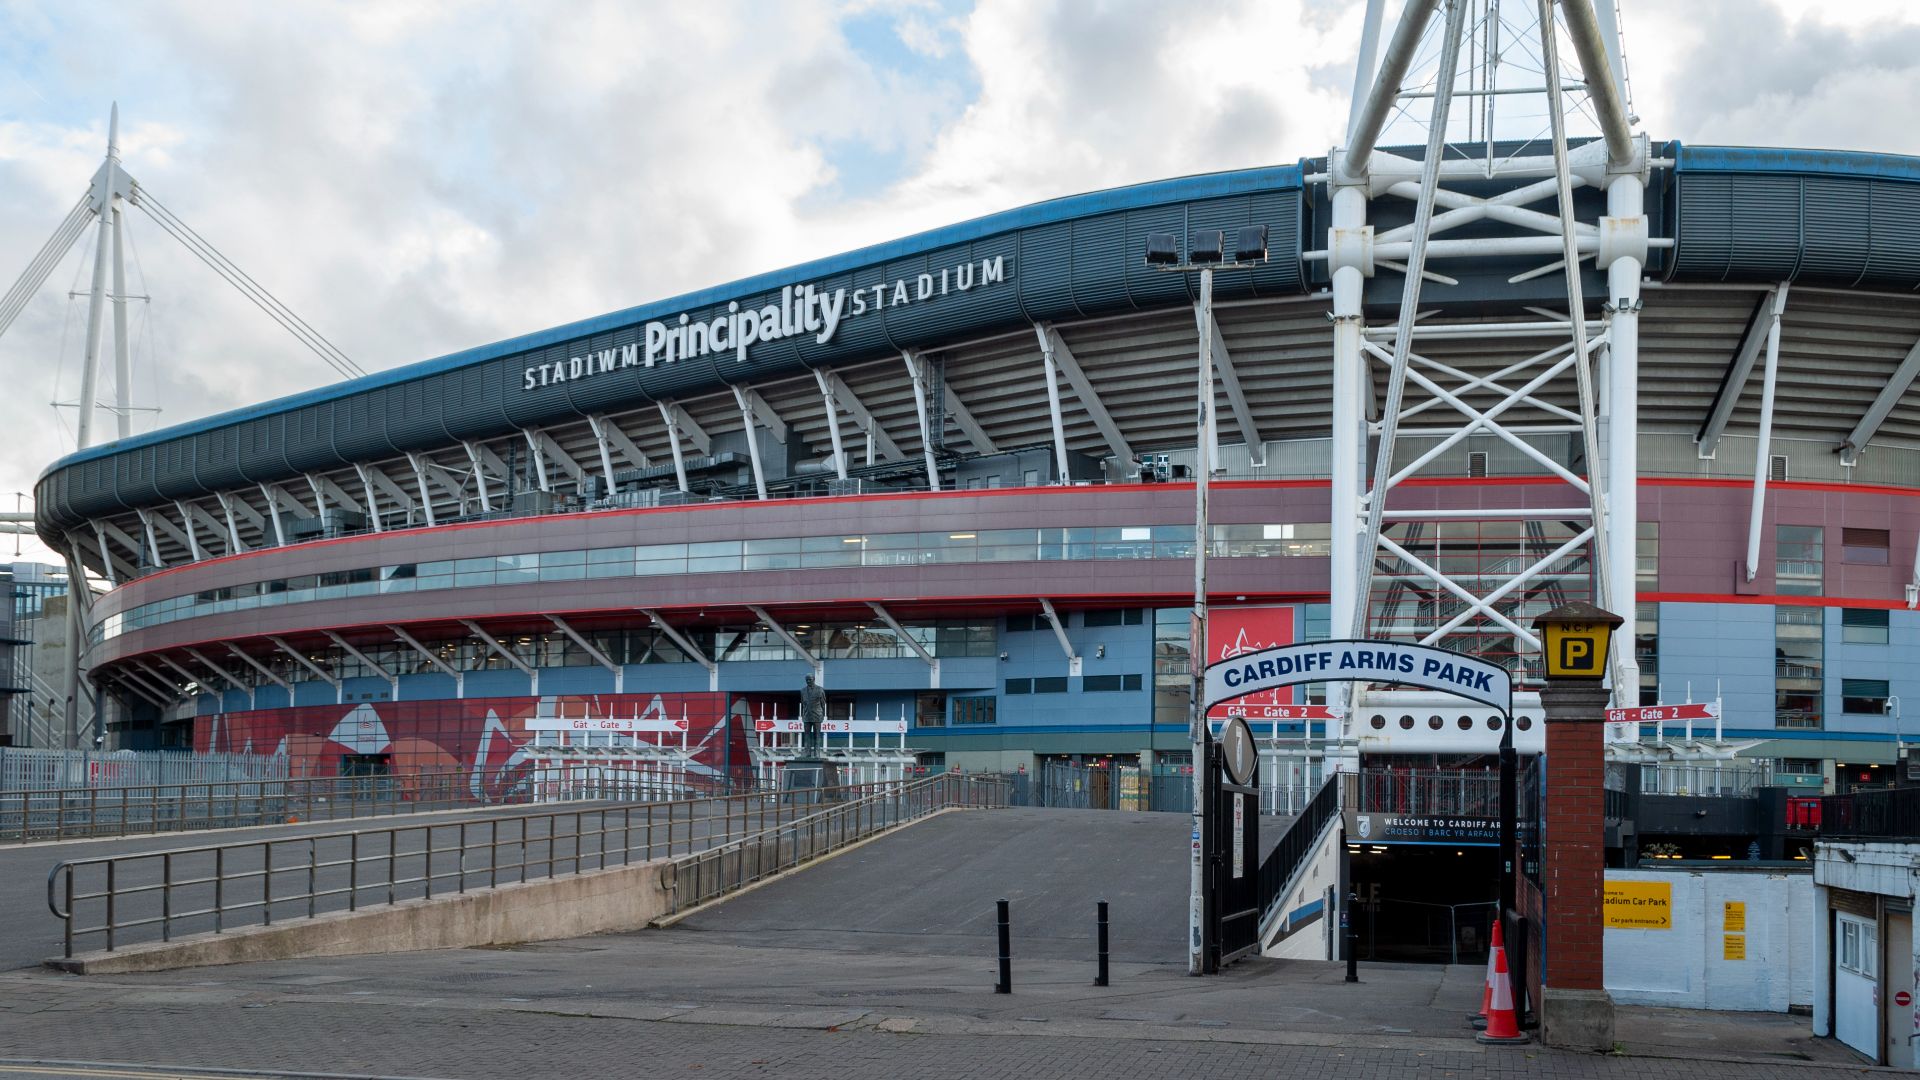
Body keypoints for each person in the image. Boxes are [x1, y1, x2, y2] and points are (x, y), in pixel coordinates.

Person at [799, 674, 827, 754]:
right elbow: (803, 703)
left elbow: (823, 704)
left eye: (810, 679)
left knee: (817, 735)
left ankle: (817, 753)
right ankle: (807, 752)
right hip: (807, 716)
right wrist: (803, 714)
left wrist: (822, 715)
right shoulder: (802, 691)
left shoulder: (820, 690)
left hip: (817, 716)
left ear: (814, 679)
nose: (808, 681)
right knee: (806, 735)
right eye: (807, 680)